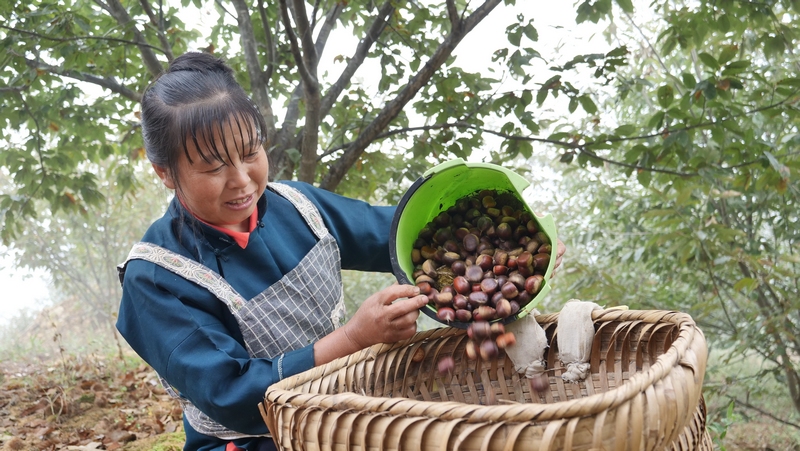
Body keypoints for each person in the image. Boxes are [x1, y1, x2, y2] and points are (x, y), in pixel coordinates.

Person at [115, 51, 429, 451]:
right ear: (165, 172)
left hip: (341, 418)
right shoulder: (156, 277)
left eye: (250, 152)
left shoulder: (299, 207)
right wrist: (354, 337)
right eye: (214, 168)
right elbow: (231, 392)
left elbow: (396, 235)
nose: (242, 180)